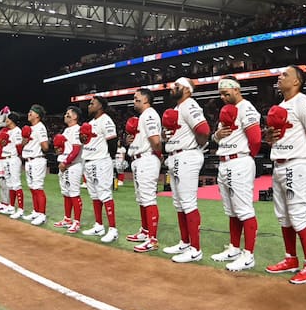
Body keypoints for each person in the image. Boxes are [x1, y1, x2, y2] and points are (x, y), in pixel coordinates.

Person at [264, 65, 306, 285]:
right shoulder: (281, 106)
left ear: (297, 81)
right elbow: (275, 138)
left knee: (298, 215)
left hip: (296, 164)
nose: (279, 77)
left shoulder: (304, 102)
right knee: (284, 216)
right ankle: (291, 258)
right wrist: (270, 137)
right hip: (279, 164)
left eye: (285, 75)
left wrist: (303, 157)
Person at [210, 76, 262, 272]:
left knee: (244, 210)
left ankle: (248, 255)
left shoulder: (246, 108)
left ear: (236, 89)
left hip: (238, 161)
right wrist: (217, 136)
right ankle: (234, 248)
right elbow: (217, 137)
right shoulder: (226, 110)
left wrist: (246, 157)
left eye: (226, 93)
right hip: (224, 161)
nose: (223, 97)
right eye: (221, 94)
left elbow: (256, 139)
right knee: (231, 210)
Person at [162, 77, 210, 263]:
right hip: (175, 156)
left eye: (178, 85)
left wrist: (196, 146)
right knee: (179, 203)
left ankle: (195, 249)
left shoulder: (189, 105)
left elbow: (204, 130)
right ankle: (185, 242)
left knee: (188, 203)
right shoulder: (177, 109)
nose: (173, 87)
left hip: (186, 156)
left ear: (188, 90)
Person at [126, 88, 163, 253]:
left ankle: (152, 239)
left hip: (146, 159)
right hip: (139, 159)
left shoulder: (149, 115)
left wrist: (158, 154)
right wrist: (132, 142)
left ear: (146, 100)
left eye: (137, 98)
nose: (134, 101)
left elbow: (155, 140)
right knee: (142, 199)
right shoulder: (143, 116)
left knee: (148, 199)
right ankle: (145, 231)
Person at [80, 96, 119, 243]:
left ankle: (113, 229)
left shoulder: (106, 120)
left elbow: (113, 143)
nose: (89, 106)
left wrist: (108, 160)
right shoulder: (91, 123)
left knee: (105, 195)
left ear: (100, 106)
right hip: (89, 160)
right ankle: (99, 225)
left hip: (100, 161)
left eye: (92, 103)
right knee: (95, 195)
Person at [53, 106, 84, 233]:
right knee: (66, 193)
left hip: (74, 165)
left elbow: (76, 149)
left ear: (75, 116)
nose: (65, 115)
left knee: (74, 193)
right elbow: (64, 148)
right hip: (64, 165)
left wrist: (66, 162)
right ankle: (67, 219)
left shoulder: (78, 129)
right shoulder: (66, 130)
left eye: (68, 113)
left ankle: (77, 222)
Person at [20, 104, 50, 226]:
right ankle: (36, 211)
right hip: (28, 160)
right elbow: (23, 144)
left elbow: (46, 147)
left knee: (38, 188)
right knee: (32, 187)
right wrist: (25, 139)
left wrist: (38, 146)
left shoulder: (40, 127)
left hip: (37, 160)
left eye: (31, 112)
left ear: (37, 115)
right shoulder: (31, 128)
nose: (28, 114)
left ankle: (42, 214)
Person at [0, 113, 25, 219]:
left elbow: (19, 147)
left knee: (16, 184)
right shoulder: (8, 131)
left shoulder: (17, 131)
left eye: (8, 119)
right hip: (6, 158)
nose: (6, 121)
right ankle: (11, 206)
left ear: (12, 120)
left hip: (13, 158)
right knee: (9, 184)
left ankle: (20, 209)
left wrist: (16, 156)